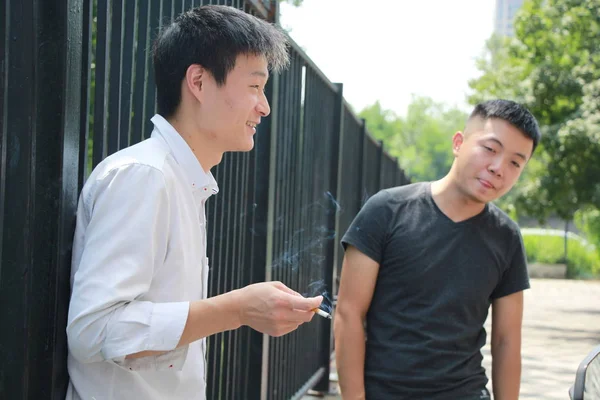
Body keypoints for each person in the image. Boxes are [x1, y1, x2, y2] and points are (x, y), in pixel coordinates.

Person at [65, 5, 322, 400]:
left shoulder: (181, 181)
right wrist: (237, 309)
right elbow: (94, 329)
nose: (264, 106)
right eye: (255, 87)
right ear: (199, 82)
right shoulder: (144, 177)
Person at [334, 99, 541, 400]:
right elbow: (349, 313)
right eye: (490, 149)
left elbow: (507, 340)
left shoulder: (506, 237)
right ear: (459, 142)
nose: (498, 168)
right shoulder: (386, 210)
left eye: (515, 162)